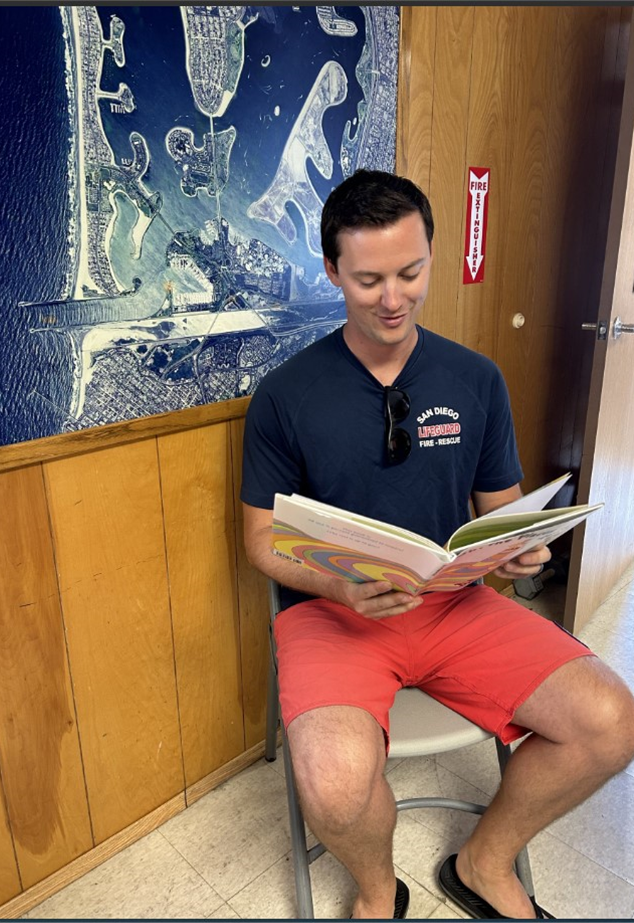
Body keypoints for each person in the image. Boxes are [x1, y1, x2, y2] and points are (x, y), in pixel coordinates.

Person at [240, 169, 634, 920]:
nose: (393, 298)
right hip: (333, 614)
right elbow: (260, 541)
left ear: (430, 254)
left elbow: (498, 511)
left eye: (411, 272)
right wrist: (337, 586)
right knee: (331, 780)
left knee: (611, 721)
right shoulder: (286, 395)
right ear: (331, 270)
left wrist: (524, 555)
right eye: (368, 279)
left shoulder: (474, 378)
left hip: (452, 604)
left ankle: (482, 864)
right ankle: (378, 890)